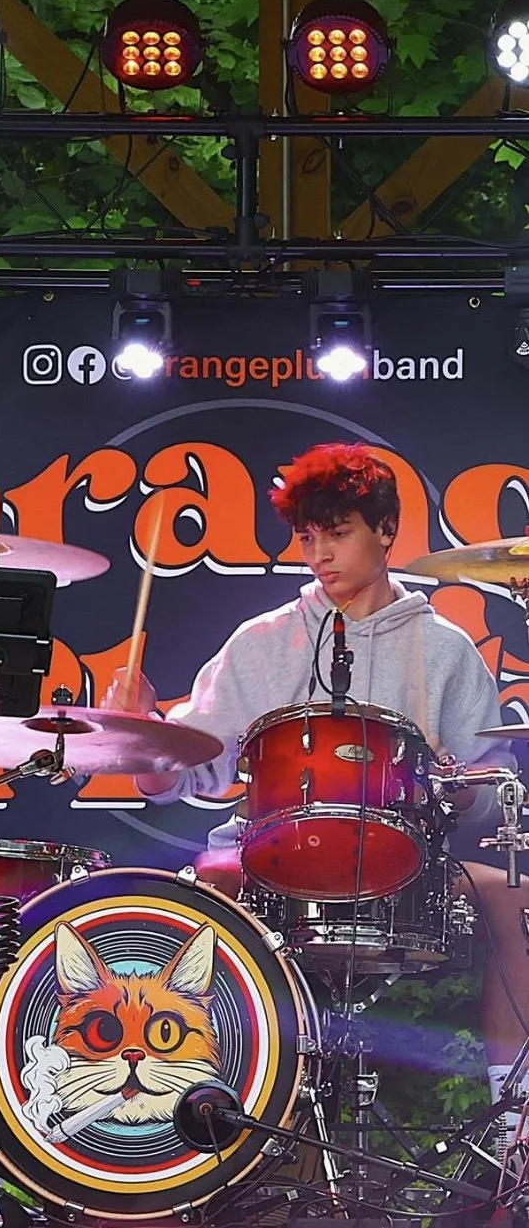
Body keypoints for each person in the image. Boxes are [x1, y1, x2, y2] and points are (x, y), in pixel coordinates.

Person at [108, 441, 529, 1129]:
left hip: (407, 874)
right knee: (202, 884)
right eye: (308, 538)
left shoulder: (444, 649)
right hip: (268, 862)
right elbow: (184, 768)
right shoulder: (263, 640)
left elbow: (490, 786)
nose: (319, 555)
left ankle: (520, 1134)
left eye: (337, 534)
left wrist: (460, 788)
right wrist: (142, 737)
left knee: (517, 894)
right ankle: (184, 1125)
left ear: (386, 531)